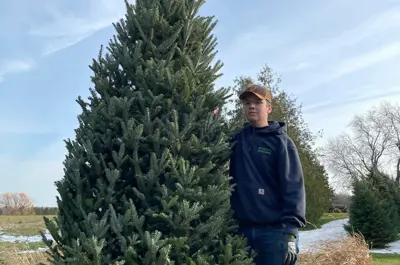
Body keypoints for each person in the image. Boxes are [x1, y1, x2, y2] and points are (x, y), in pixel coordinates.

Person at [229, 84, 306, 265]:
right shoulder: (237, 139)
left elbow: (293, 187)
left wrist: (291, 234)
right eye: (247, 103)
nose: (252, 106)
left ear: (269, 108)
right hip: (242, 232)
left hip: (275, 233)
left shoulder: (281, 143)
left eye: (258, 102)